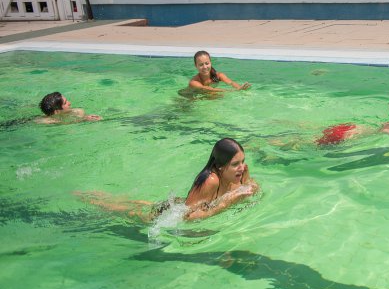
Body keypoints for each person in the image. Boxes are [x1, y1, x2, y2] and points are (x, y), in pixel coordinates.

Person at [78, 138, 259, 222]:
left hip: (179, 203)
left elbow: (250, 188)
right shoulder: (210, 181)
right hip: (170, 215)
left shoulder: (241, 172)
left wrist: (248, 186)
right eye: (235, 164)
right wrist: (229, 201)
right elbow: (188, 217)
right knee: (129, 212)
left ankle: (100, 197)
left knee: (142, 204)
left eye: (243, 161)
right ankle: (93, 200)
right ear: (220, 166)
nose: (242, 167)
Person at [37, 92, 101, 124]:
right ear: (57, 111)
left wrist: (86, 118)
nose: (69, 103)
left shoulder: (77, 112)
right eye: (65, 103)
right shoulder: (44, 121)